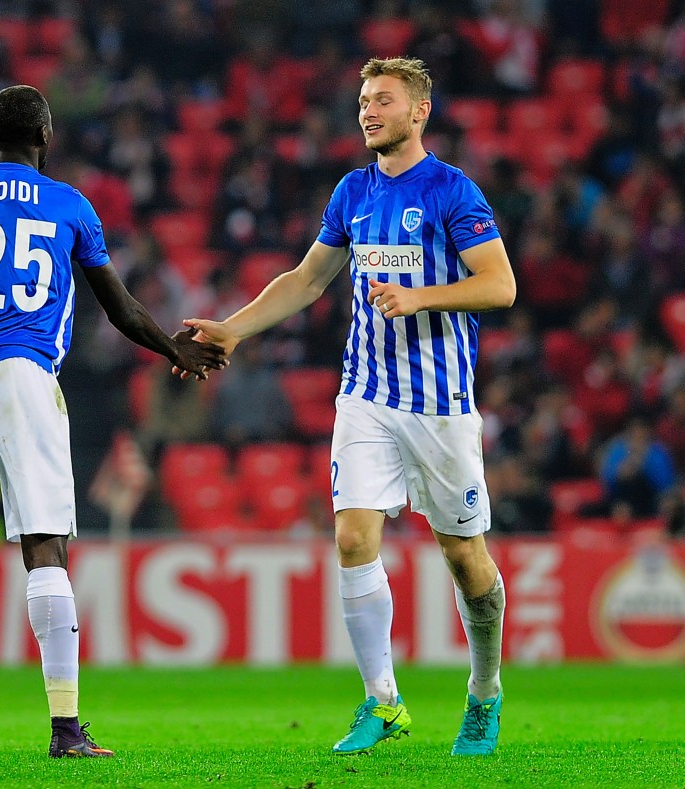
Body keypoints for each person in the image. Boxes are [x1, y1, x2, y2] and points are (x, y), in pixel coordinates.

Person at [0, 85, 225, 760]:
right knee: (45, 547)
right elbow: (118, 309)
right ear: (46, 137)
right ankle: (66, 729)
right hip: (26, 375)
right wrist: (176, 349)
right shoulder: (72, 206)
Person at [180, 58, 516, 756]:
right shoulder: (352, 192)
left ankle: (483, 692)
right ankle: (383, 701)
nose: (368, 111)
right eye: (363, 101)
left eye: (383, 101)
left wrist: (420, 296)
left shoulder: (453, 191)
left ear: (418, 111)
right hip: (365, 396)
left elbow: (500, 284)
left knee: (466, 560)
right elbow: (307, 278)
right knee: (354, 536)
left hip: (440, 404)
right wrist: (233, 328)